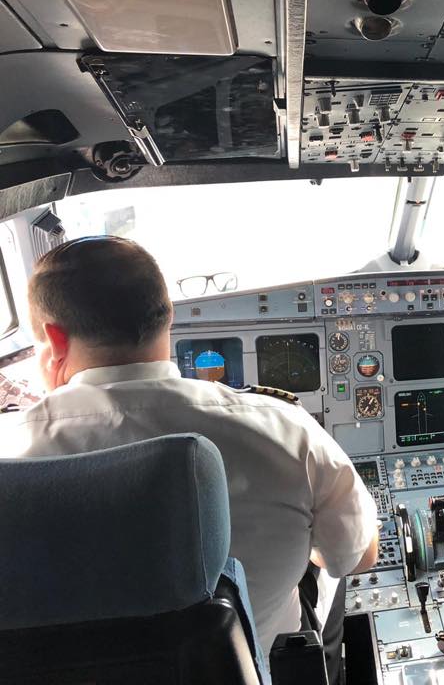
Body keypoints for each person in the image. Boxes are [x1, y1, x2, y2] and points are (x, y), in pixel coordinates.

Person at [0, 236, 379, 673]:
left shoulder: (11, 453)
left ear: (53, 338)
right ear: (168, 317)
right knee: (328, 571)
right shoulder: (285, 430)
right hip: (253, 672)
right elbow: (360, 556)